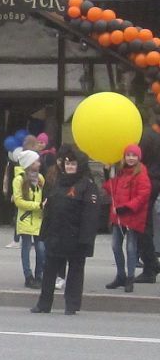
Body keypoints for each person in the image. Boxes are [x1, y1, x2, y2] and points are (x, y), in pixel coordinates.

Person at [31, 146, 100, 316]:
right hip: (56, 234)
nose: (69, 167)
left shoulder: (87, 185)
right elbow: (49, 207)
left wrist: (86, 239)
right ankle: (44, 303)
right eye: (67, 163)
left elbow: (90, 215)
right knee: (49, 270)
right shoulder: (58, 182)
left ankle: (72, 304)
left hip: (76, 236)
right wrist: (44, 232)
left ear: (80, 165)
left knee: (75, 272)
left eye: (73, 164)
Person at [104, 143, 150, 293]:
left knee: (131, 248)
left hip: (132, 216)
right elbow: (111, 188)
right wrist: (107, 173)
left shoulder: (141, 173)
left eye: (134, 155)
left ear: (138, 157)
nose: (131, 158)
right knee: (115, 246)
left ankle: (130, 277)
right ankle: (121, 275)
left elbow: (143, 194)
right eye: (128, 155)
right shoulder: (121, 172)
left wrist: (127, 207)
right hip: (119, 216)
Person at [12, 149, 45, 289]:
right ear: (29, 163)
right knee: (26, 247)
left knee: (41, 248)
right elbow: (18, 201)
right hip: (26, 219)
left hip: (39, 219)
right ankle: (28, 276)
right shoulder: (19, 180)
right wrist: (38, 206)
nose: (39, 163)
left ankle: (40, 275)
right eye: (36, 161)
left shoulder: (40, 179)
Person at [138, 110, 160, 283]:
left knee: (143, 224)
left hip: (149, 181)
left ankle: (150, 267)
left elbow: (139, 160)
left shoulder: (148, 137)